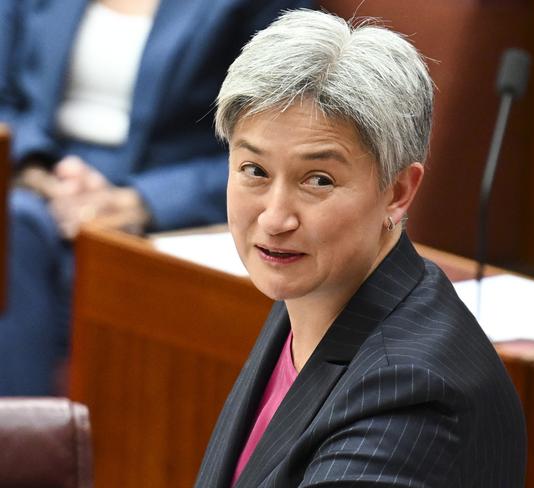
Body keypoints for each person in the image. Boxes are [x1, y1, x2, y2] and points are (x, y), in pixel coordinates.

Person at [195, 9, 527, 487]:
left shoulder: (413, 396)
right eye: (255, 171)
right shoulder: (313, 290)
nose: (274, 218)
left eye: (319, 180)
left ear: (397, 192)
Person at [0, 0, 312, 395]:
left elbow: (285, 140)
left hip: (167, 202)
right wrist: (36, 172)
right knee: (18, 225)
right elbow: (5, 95)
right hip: (38, 178)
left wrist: (141, 202)